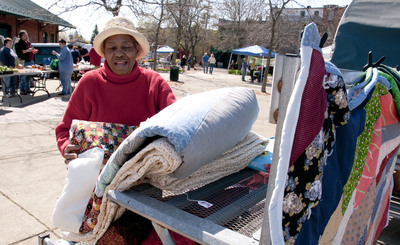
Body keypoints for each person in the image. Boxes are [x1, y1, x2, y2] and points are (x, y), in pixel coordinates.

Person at [55, 16, 178, 244]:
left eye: (126, 47)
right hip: (95, 187)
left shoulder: (155, 83)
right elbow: (64, 129)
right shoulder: (89, 83)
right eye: (112, 48)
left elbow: (178, 125)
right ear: (104, 52)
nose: (119, 54)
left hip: (143, 186)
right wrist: (67, 148)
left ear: (136, 51)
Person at [15, 30, 35, 95]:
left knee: (29, 76)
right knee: (23, 76)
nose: (26, 36)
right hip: (24, 61)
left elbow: (31, 50)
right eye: (24, 35)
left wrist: (33, 51)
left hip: (31, 60)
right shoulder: (19, 43)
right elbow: (20, 52)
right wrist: (27, 50)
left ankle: (27, 88)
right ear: (21, 36)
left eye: (26, 34)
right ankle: (22, 89)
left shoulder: (28, 43)